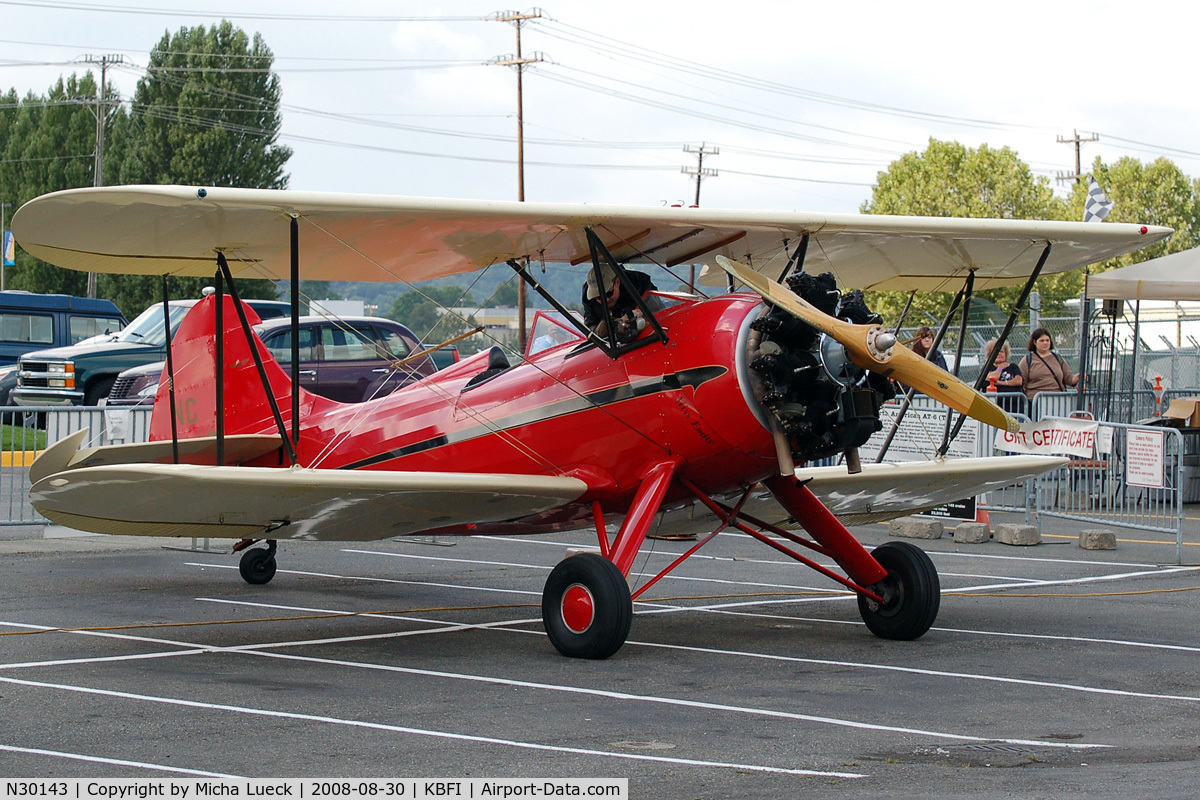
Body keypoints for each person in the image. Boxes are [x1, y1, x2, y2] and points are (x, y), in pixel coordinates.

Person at [582, 264, 656, 343]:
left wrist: (639, 315)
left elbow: (657, 312)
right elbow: (590, 331)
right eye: (598, 297)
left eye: (608, 294)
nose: (605, 300)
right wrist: (617, 323)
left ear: (617, 282)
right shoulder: (588, 299)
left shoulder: (639, 284)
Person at [1020, 327, 1080, 402]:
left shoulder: (1057, 358)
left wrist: (1077, 377)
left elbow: (1068, 378)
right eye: (1042, 340)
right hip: (1035, 400)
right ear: (1035, 342)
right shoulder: (1027, 360)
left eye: (1047, 340)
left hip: (1057, 399)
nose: (1045, 343)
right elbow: (1022, 383)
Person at [983, 337, 1024, 414]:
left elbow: (1019, 381)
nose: (999, 353)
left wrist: (1003, 383)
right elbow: (993, 378)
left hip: (1015, 409)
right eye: (996, 351)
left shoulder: (1013, 366)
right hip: (995, 409)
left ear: (1006, 354)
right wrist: (1000, 368)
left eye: (1001, 351)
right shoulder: (987, 368)